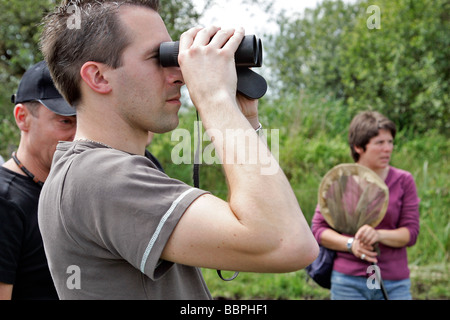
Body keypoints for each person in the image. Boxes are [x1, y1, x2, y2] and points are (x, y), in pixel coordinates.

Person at [37, 0, 318, 300]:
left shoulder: (89, 171)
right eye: (158, 58)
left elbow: (270, 227)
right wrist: (214, 99)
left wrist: (243, 120)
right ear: (99, 77)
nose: (180, 75)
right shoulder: (98, 177)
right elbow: (287, 242)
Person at [311, 111, 420, 300]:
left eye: (390, 142)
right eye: (380, 143)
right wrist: (350, 244)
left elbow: (410, 233)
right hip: (348, 281)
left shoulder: (403, 180)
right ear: (358, 147)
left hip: (393, 282)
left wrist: (378, 234)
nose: (388, 148)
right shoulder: (340, 181)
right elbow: (318, 230)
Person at [0, 61, 76, 299]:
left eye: (82, 120)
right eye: (65, 121)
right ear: (22, 117)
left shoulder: (70, 188)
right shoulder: (6, 203)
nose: (78, 135)